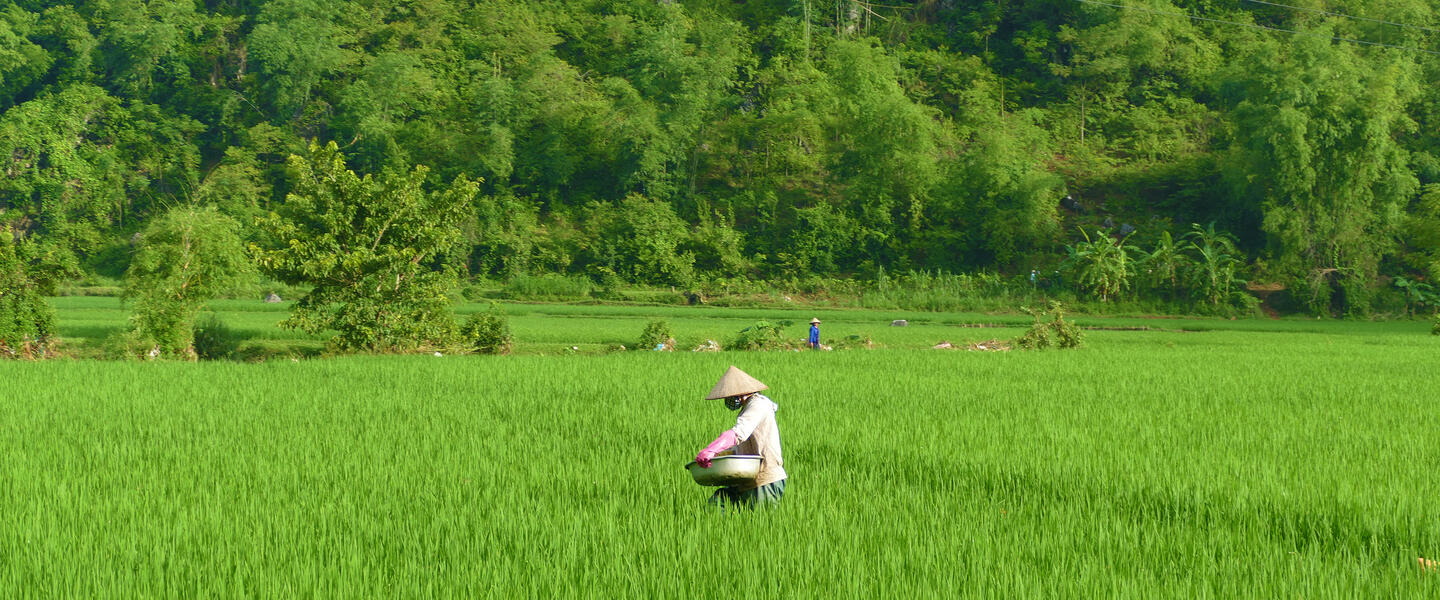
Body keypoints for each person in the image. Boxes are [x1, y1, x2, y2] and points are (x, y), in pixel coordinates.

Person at [695, 366, 787, 509]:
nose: (728, 398)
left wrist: (711, 450)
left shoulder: (759, 404)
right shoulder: (749, 406)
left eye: (730, 394)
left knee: (758, 527)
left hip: (764, 480)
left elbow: (738, 433)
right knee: (716, 506)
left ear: (742, 392)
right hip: (745, 479)